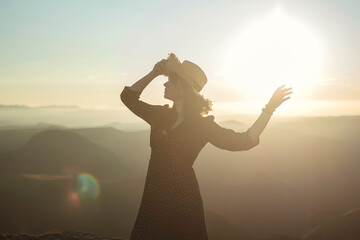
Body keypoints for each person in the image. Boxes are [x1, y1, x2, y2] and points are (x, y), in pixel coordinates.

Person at [120, 53, 292, 240]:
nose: (164, 84)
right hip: (154, 195)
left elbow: (244, 140)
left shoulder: (202, 126)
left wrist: (269, 109)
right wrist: (154, 73)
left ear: (183, 86)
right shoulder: (160, 116)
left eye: (170, 80)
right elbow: (128, 97)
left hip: (184, 200)